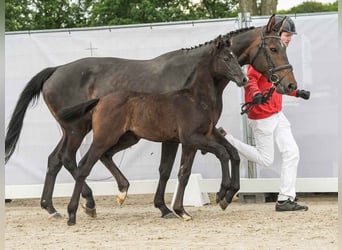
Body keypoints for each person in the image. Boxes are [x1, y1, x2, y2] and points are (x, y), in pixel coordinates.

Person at [224, 16, 310, 211]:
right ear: (277, 35)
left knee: (292, 153)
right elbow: (251, 79)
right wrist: (254, 94)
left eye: (290, 36)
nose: (289, 39)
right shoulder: (262, 55)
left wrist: (297, 93)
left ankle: (285, 199)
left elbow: (279, 84)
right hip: (262, 115)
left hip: (277, 113)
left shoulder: (277, 56)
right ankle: (228, 139)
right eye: (287, 35)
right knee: (266, 160)